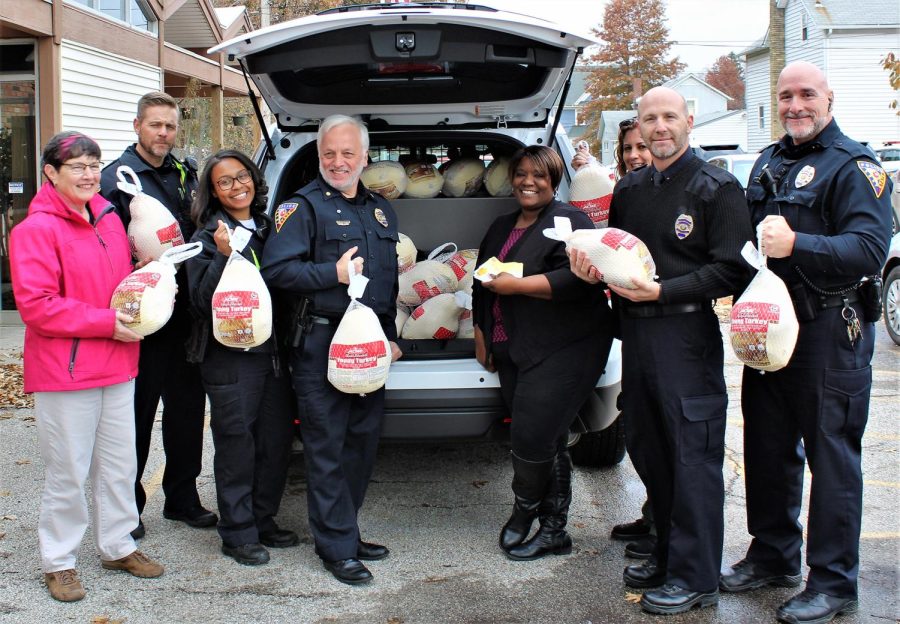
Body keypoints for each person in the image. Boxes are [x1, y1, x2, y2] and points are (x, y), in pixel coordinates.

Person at [719, 61, 892, 624]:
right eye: (786, 95)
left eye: (807, 94)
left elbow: (868, 249)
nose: (796, 105)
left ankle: (835, 582)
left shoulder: (855, 167)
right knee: (767, 447)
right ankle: (773, 555)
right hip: (768, 328)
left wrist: (799, 242)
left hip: (827, 332)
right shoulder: (769, 160)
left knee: (832, 456)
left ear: (829, 98)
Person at [570, 87, 753, 615]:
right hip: (639, 337)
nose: (659, 127)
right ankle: (670, 554)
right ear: (640, 128)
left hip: (686, 335)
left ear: (689, 121)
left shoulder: (716, 188)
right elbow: (619, 253)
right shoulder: (630, 189)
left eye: (669, 116)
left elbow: (733, 269)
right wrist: (592, 270)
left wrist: (664, 292)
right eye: (650, 119)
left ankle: (696, 577)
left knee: (692, 457)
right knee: (651, 449)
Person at [10, 131, 164, 602]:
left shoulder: (112, 219)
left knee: (119, 466)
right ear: (51, 173)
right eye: (76, 166)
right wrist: (106, 323)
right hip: (67, 370)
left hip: (118, 362)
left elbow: (126, 280)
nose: (89, 174)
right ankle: (59, 560)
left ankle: (118, 545)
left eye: (93, 164)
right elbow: (36, 305)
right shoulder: (34, 231)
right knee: (68, 471)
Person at [261, 114, 402, 585]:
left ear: (365, 156)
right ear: (319, 156)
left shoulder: (381, 211)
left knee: (361, 444)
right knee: (326, 446)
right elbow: (276, 272)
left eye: (348, 154)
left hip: (368, 344)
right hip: (321, 342)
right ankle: (336, 546)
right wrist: (331, 275)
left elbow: (386, 280)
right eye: (328, 154)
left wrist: (391, 337)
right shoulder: (300, 209)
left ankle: (346, 529)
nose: (338, 162)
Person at [473, 145, 615, 561]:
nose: (528, 182)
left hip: (567, 345)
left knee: (531, 435)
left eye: (539, 175)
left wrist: (516, 286)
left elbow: (581, 280)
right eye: (520, 174)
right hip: (513, 344)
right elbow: (481, 280)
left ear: (555, 179)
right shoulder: (500, 226)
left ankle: (525, 512)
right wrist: (481, 330)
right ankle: (554, 530)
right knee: (548, 437)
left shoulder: (572, 221)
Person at [100, 91, 216, 538]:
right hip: (142, 323)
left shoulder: (185, 173)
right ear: (137, 126)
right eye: (155, 125)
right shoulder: (117, 178)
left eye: (169, 126)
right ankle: (127, 509)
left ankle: (183, 500)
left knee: (187, 412)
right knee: (136, 417)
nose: (164, 133)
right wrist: (130, 268)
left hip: (186, 315)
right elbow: (105, 245)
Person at [185, 150, 298, 566]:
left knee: (275, 440)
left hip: (272, 354)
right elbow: (198, 303)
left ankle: (263, 519)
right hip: (230, 358)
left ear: (254, 177)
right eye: (224, 182)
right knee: (237, 444)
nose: (237, 186)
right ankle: (237, 532)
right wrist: (220, 254)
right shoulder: (206, 237)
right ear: (212, 192)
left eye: (241, 176)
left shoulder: (271, 228)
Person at [571, 120, 656, 561]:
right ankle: (654, 516)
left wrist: (661, 292)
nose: (636, 154)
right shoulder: (622, 193)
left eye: (643, 146)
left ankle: (670, 537)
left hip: (671, 325)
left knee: (672, 435)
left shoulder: (694, 187)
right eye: (628, 149)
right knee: (642, 429)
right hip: (629, 322)